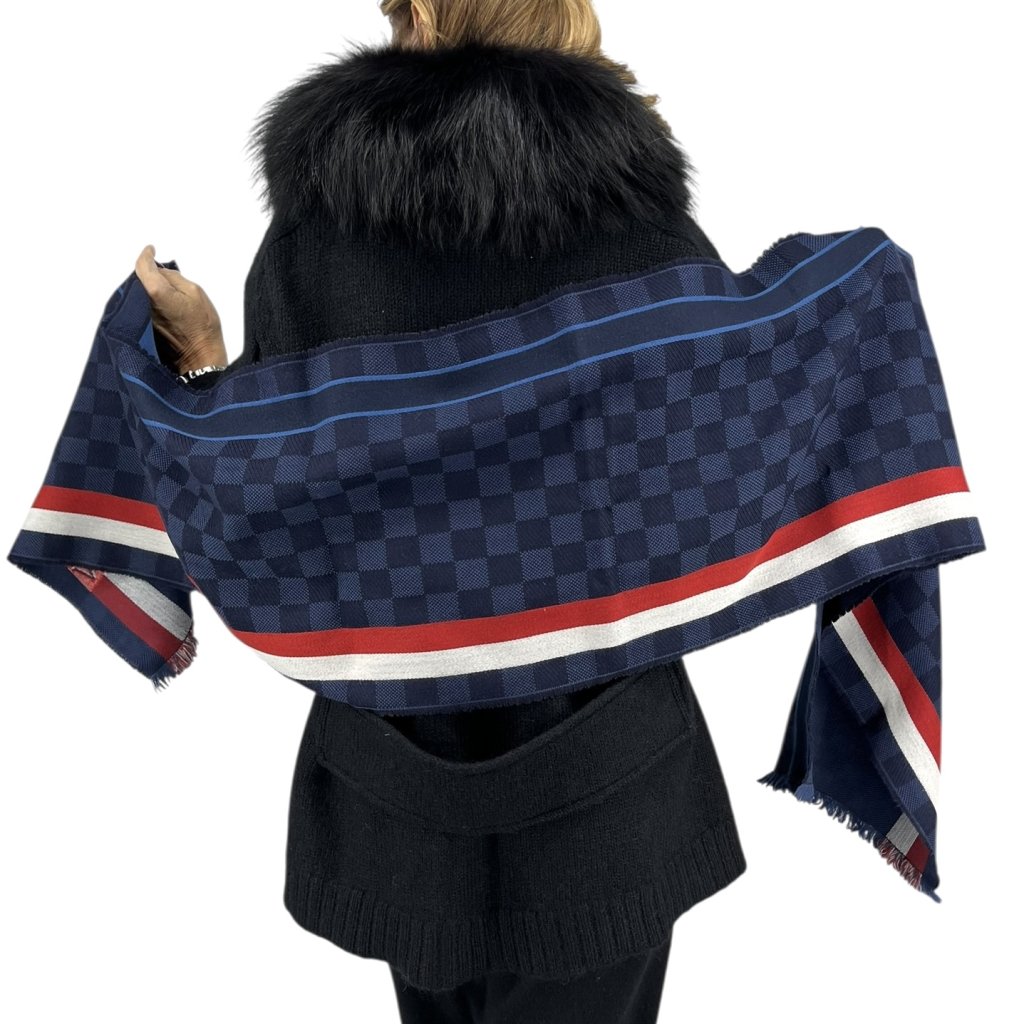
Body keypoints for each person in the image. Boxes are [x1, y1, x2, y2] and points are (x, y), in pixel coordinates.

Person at [134, 2, 747, 1020]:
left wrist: (198, 358)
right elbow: (710, 459)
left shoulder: (318, 236)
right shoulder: (641, 224)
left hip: (400, 779)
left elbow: (276, 491)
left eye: (396, 11)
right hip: (607, 782)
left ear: (430, 16)